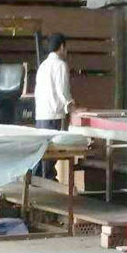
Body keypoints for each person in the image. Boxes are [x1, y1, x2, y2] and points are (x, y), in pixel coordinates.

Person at [33, 33, 75, 180]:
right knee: (51, 153)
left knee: (42, 153)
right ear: (62, 47)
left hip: (41, 115)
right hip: (53, 115)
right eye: (66, 47)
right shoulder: (60, 65)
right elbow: (62, 90)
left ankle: (37, 181)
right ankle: (47, 182)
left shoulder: (43, 66)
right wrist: (71, 105)